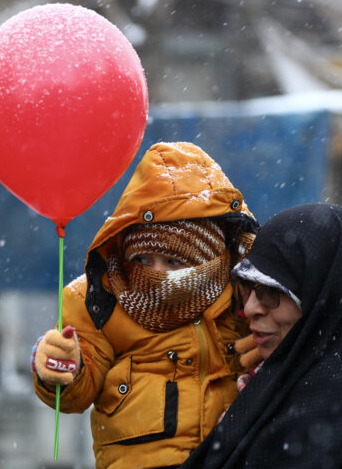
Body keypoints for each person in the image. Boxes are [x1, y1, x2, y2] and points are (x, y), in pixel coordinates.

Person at [31, 141, 258, 468]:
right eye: (142, 259)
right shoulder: (103, 298)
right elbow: (77, 392)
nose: (156, 274)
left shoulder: (244, 295)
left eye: (173, 260)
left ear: (209, 257)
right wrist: (63, 366)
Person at [181, 203, 342, 469]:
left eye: (271, 292)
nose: (251, 308)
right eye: (247, 287)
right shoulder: (275, 382)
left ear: (324, 300)